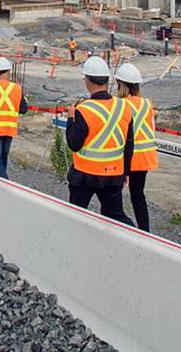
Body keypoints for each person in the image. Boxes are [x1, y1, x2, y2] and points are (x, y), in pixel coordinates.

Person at [65, 55, 134, 225]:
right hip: (114, 173)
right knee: (115, 216)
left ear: (87, 80)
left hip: (85, 175)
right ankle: (140, 243)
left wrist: (70, 119)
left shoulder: (83, 110)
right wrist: (125, 172)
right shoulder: (124, 107)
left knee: (76, 215)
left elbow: (74, 144)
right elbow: (129, 144)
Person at [116, 62, 157, 231]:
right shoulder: (147, 104)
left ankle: (122, 226)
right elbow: (152, 128)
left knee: (114, 196)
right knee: (138, 195)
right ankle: (145, 231)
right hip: (144, 158)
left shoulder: (120, 105)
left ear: (122, 85)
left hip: (126, 158)